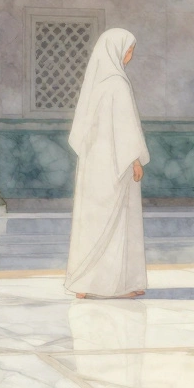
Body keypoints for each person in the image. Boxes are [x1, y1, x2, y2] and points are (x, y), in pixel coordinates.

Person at [65, 28, 150, 300]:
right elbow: (125, 128)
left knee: (93, 221)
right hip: (116, 163)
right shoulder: (118, 84)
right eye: (128, 50)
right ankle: (119, 284)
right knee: (119, 221)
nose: (130, 57)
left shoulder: (97, 85)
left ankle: (85, 282)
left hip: (94, 166)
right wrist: (135, 159)